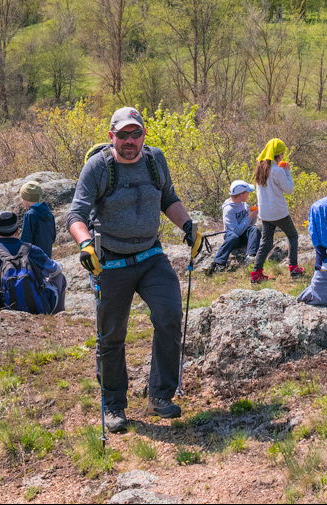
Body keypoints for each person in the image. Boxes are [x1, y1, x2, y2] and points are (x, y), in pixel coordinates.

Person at [67, 106, 198, 433]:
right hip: (110, 262)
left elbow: (168, 197)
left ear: (143, 134)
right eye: (122, 134)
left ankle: (161, 396)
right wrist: (85, 244)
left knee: (169, 316)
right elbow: (76, 215)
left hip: (151, 256)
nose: (129, 140)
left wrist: (188, 226)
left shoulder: (155, 161)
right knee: (112, 336)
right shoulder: (98, 168)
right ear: (111, 136)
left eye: (135, 133)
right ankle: (113, 404)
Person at [0, 210, 66, 313]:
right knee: (59, 277)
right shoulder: (32, 250)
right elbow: (55, 270)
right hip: (37, 309)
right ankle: (56, 319)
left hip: (3, 310)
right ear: (17, 231)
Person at [250, 138, 303, 283]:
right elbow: (289, 190)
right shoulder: (278, 170)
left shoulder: (260, 169)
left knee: (265, 242)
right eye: (282, 154)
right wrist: (287, 172)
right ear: (278, 155)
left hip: (265, 213)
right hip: (278, 211)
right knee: (292, 235)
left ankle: (256, 273)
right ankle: (293, 268)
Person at [207, 180, 260, 275]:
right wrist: (249, 217)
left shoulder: (244, 204)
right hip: (233, 236)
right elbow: (236, 231)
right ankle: (217, 262)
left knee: (255, 229)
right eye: (247, 192)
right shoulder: (229, 209)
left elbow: (250, 223)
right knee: (233, 236)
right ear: (241, 196)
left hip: (243, 234)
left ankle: (250, 257)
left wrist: (254, 214)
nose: (249, 194)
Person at [19, 180, 57, 257]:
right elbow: (53, 237)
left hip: (34, 260)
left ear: (27, 198)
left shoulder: (30, 215)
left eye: (22, 198)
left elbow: (25, 241)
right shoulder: (49, 214)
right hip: (46, 258)